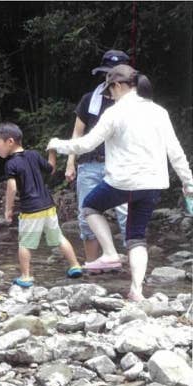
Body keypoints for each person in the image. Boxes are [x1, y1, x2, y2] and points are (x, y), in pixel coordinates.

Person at [47, 64, 193, 301]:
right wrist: (189, 183)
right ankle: (136, 290)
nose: (109, 95)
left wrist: (57, 144)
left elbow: (86, 145)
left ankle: (110, 253)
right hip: (152, 183)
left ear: (118, 85)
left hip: (122, 181)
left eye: (110, 90)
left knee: (90, 207)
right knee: (136, 237)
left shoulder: (115, 113)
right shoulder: (159, 111)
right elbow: (175, 152)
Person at [0, 122, 83, 288]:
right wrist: (52, 151)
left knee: (25, 243)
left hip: (30, 210)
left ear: (10, 141)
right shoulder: (33, 155)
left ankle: (26, 276)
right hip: (48, 206)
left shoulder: (11, 164)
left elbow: (12, 187)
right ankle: (75, 265)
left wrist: (8, 209)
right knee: (59, 237)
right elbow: (51, 168)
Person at [66, 50, 130, 268]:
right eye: (107, 74)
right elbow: (78, 133)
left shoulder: (135, 104)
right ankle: (93, 266)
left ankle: (134, 267)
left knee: (127, 215)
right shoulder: (89, 100)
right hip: (90, 164)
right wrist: (70, 162)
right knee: (86, 215)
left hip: (122, 165)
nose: (110, 78)